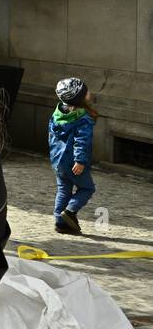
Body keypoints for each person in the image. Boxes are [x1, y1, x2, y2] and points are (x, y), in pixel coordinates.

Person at [48, 77, 98, 235]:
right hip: (73, 161)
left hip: (58, 161)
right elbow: (81, 141)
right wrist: (80, 160)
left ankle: (60, 224)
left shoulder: (57, 114)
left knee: (63, 190)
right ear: (79, 97)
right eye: (86, 91)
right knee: (87, 188)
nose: (89, 92)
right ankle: (70, 212)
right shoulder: (82, 118)